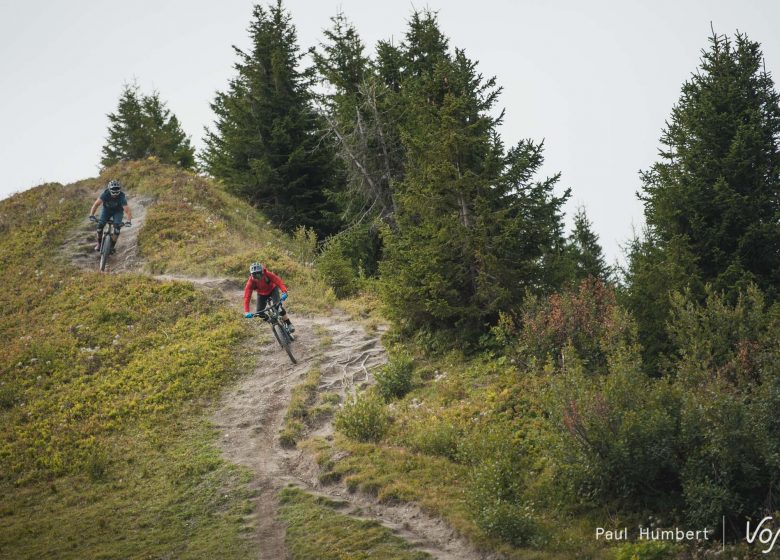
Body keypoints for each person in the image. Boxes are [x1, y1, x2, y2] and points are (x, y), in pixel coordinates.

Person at [243, 262, 295, 333]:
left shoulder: (267, 274)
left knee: (278, 306)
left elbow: (278, 281)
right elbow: (247, 297)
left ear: (262, 272)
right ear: (251, 275)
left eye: (259, 275)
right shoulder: (250, 282)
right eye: (255, 276)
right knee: (259, 313)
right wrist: (246, 311)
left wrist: (284, 292)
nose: (257, 278)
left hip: (272, 290)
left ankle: (289, 324)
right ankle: (271, 321)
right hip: (261, 294)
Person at [89, 180, 132, 252]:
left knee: (117, 230)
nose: (115, 193)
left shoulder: (122, 197)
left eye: (117, 190)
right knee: (100, 227)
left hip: (118, 212)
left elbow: (127, 211)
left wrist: (128, 221)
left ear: (119, 190)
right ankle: (99, 244)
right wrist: (91, 215)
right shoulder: (105, 194)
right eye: (113, 190)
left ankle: (111, 247)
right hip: (106, 211)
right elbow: (96, 205)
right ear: (109, 189)